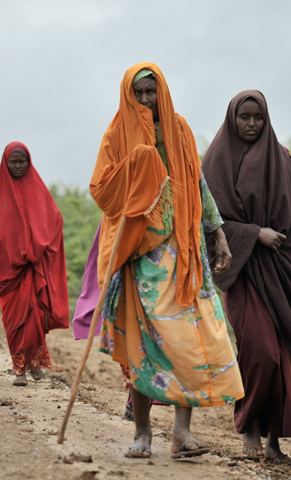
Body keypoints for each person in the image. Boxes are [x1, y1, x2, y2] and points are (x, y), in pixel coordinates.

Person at [90, 63, 244, 459]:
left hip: (185, 252)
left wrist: (218, 232)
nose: (145, 100)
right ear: (128, 95)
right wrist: (138, 163)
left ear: (163, 93)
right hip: (140, 256)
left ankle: (182, 433)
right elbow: (102, 191)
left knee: (190, 340)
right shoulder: (117, 133)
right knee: (143, 343)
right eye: (138, 93)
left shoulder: (179, 129)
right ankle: (142, 433)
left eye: (151, 92)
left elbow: (196, 181)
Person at [202, 90, 291, 463]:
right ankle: (249, 426)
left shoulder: (283, 161)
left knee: (284, 358)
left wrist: (274, 238)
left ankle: (272, 441)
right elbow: (210, 220)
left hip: (281, 269)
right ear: (232, 119)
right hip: (242, 269)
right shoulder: (216, 161)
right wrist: (256, 233)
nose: (251, 124)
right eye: (245, 117)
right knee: (260, 352)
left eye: (258, 117)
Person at [0, 142, 69, 386]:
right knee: (13, 321)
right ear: (5, 163)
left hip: (33, 267)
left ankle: (33, 365)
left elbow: (55, 218)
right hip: (8, 268)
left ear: (29, 162)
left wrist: (41, 243)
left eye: (21, 162)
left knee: (34, 317)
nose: (17, 166)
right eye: (13, 162)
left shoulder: (38, 189)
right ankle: (19, 369)